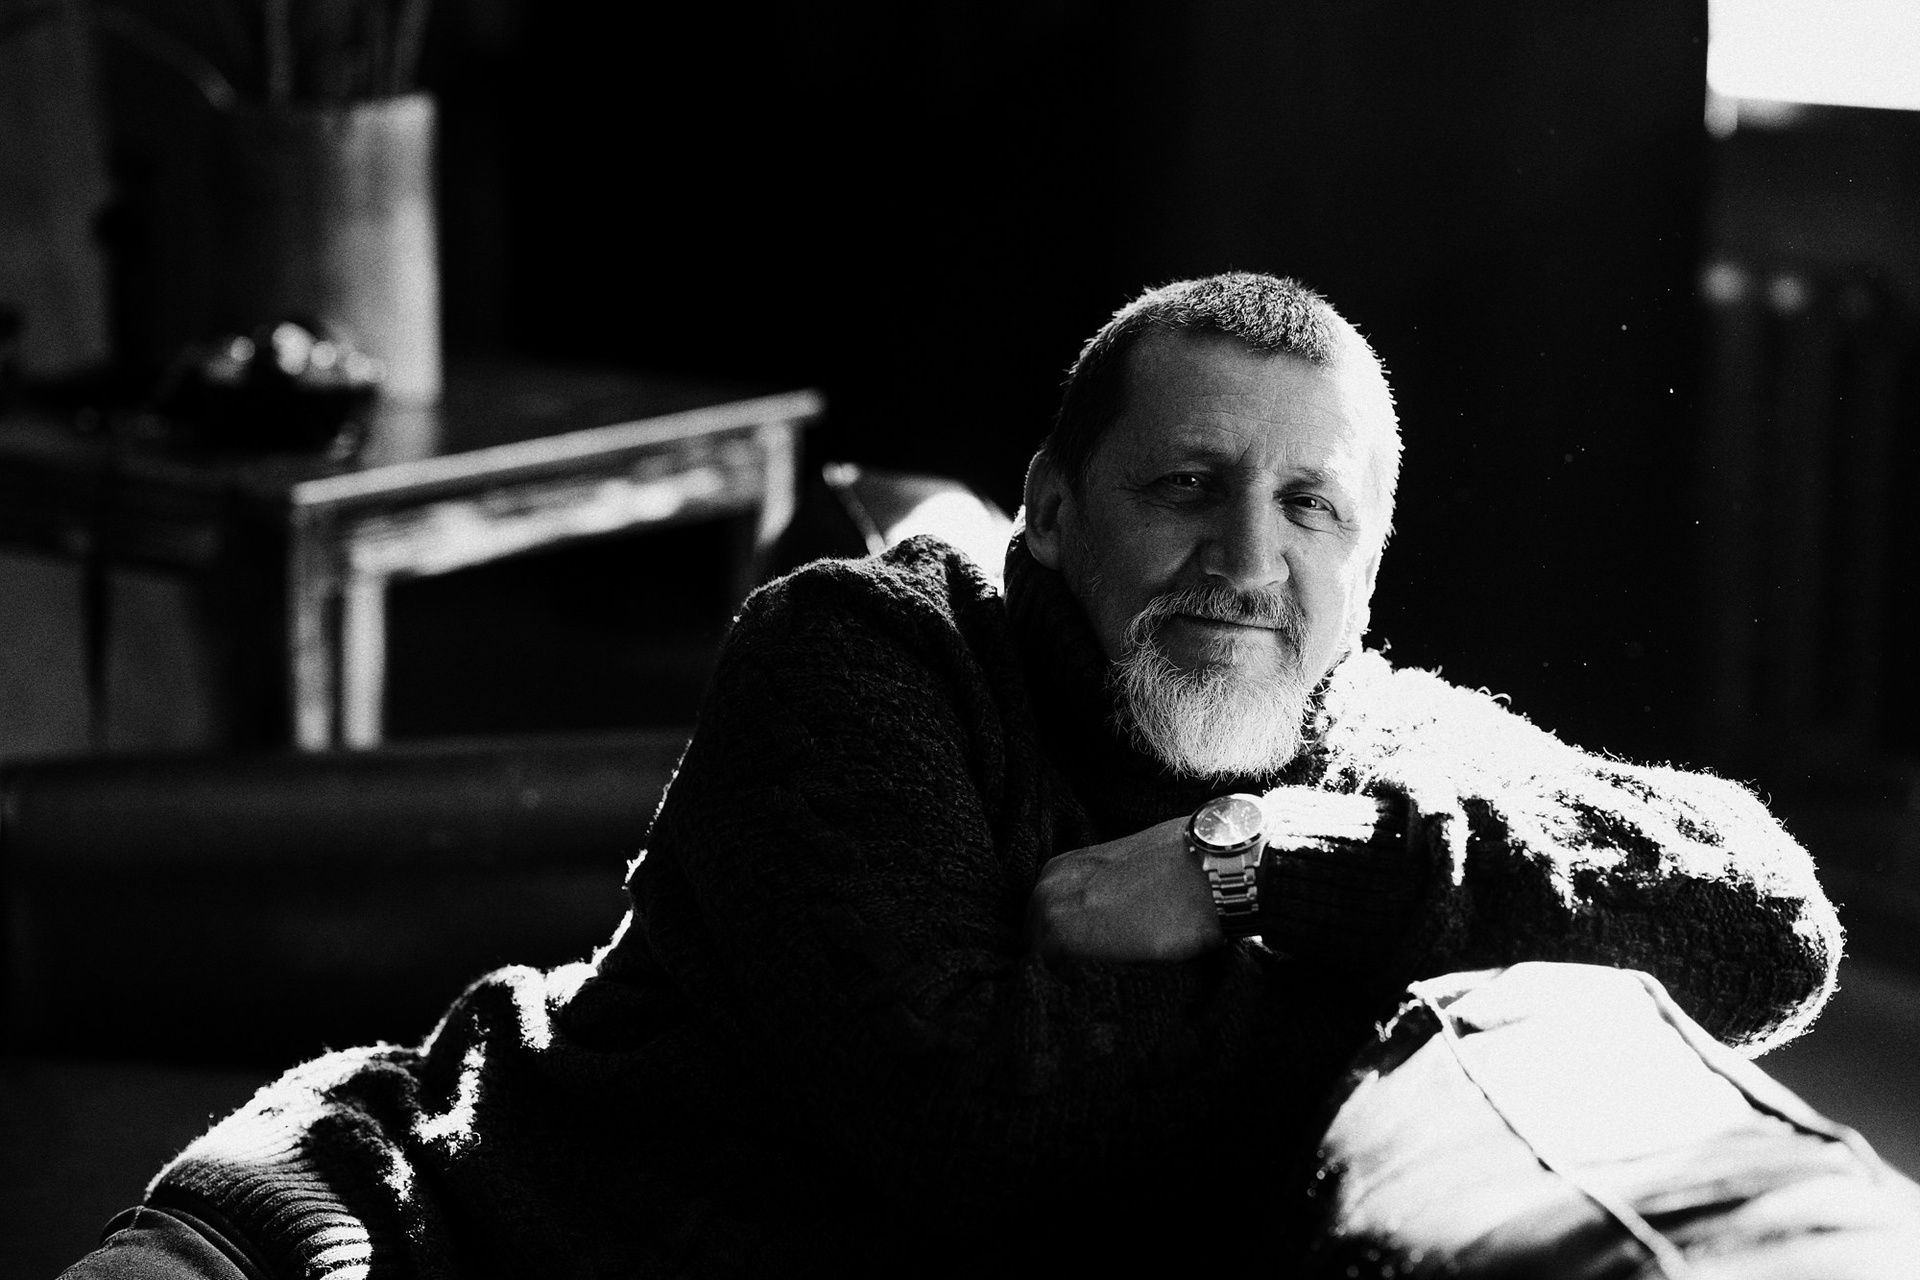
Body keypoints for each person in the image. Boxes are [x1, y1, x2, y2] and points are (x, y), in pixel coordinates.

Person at [64, 274, 1860, 1278]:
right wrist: (1370, 968)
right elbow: (981, 1137)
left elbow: (1771, 923)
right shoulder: (862, 655)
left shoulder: (1377, 753)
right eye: (1186, 485)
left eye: (1311, 507)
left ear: (1369, 572)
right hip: (407, 1227)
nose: (1250, 558)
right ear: (1052, 512)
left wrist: (1267, 873)